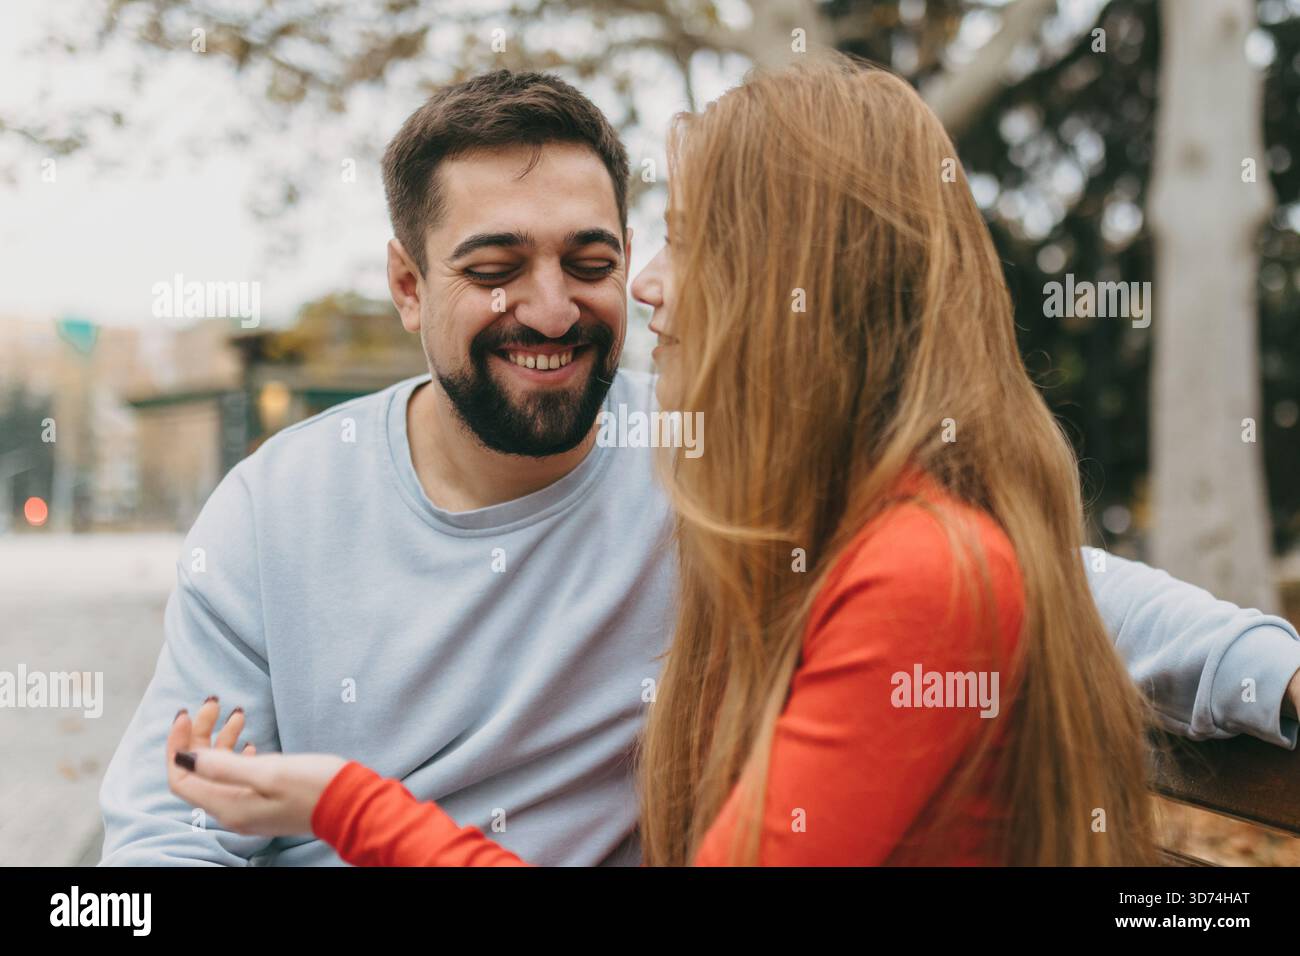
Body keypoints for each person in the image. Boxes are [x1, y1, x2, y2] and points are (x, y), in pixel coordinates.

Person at [160, 55, 1300, 866]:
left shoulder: (734, 485)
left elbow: (1070, 590)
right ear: (408, 285)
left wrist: (1273, 669)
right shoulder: (277, 506)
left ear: (790, 284)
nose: (568, 303)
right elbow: (168, 824)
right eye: (497, 263)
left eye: (608, 253)